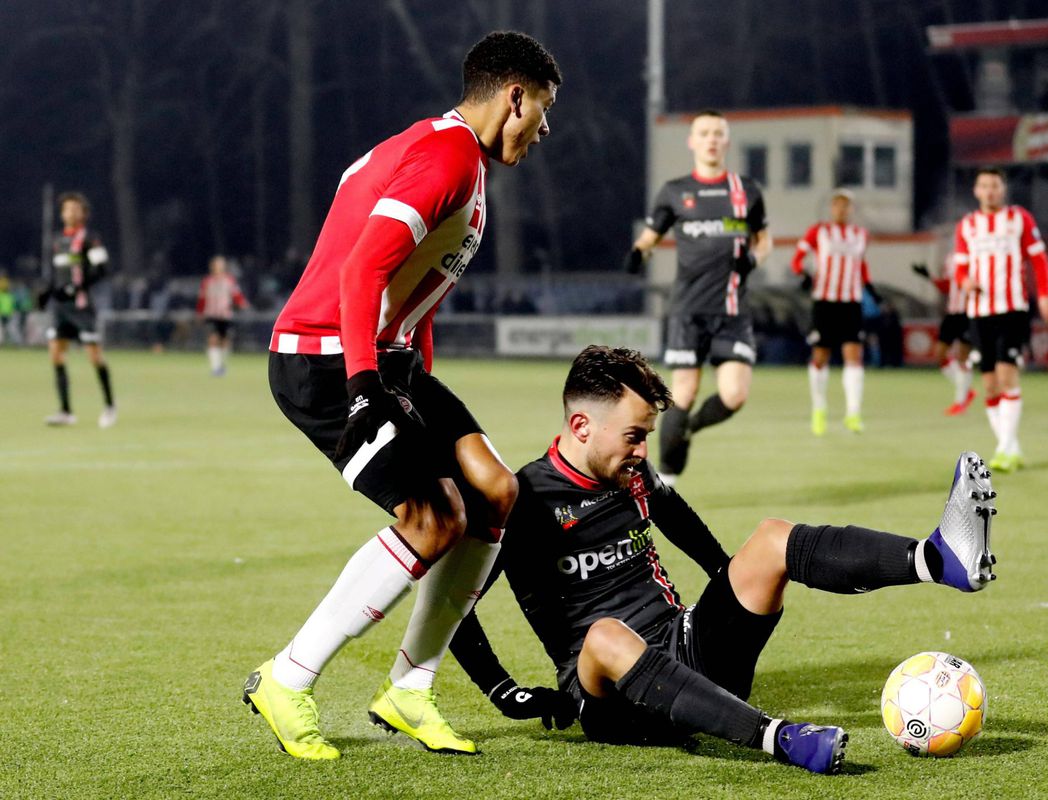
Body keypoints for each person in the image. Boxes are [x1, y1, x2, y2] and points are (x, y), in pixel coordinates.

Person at [448, 345, 998, 775]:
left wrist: (729, 579)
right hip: (607, 695)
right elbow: (452, 603)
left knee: (770, 539)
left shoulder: (630, 472)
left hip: (688, 650)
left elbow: (677, 517)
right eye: (635, 436)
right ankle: (779, 738)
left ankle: (936, 557)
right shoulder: (521, 501)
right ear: (581, 427)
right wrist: (501, 690)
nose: (643, 452)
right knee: (606, 636)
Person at [240, 30, 562, 761]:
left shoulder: (460, 159)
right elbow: (361, 273)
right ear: (512, 95)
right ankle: (287, 679)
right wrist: (362, 387)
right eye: (541, 110)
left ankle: (408, 691)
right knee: (433, 517)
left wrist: (413, 379)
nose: (545, 128)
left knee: (495, 490)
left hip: (388, 361)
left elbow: (415, 292)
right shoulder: (447, 157)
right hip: (324, 360)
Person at [624, 109, 771, 484]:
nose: (711, 139)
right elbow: (652, 234)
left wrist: (754, 258)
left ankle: (687, 428)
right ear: (692, 141)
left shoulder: (746, 191)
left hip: (732, 311)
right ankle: (666, 486)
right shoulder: (675, 191)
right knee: (683, 392)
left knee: (735, 395)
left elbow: (764, 239)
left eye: (718, 133)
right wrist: (639, 252)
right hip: (688, 311)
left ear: (726, 141)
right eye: (704, 133)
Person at [954, 168, 1048, 472]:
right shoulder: (967, 226)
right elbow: (960, 268)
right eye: (984, 185)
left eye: (995, 185)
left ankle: (1002, 450)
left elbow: (1039, 260)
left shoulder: (1019, 219)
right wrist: (965, 282)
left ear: (1002, 190)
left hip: (1012, 309)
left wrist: (1044, 295)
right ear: (976, 190)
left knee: (1006, 375)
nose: (989, 191)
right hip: (979, 312)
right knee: (989, 386)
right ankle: (1011, 447)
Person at [792, 189, 880, 434]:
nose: (842, 209)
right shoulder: (818, 231)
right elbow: (797, 259)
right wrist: (804, 274)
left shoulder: (860, 235)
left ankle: (853, 412)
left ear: (852, 209)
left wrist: (870, 287)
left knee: (854, 354)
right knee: (821, 356)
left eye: (846, 205)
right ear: (831, 207)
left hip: (851, 302)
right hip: (825, 301)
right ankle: (818, 408)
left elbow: (861, 265)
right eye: (838, 204)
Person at [42, 192, 117, 428]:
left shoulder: (89, 239)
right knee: (55, 353)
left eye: (76, 209)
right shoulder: (58, 241)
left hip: (82, 307)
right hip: (61, 307)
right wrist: (48, 292)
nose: (71, 213)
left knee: (94, 357)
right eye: (67, 209)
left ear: (84, 213)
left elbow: (103, 268)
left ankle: (109, 406)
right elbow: (58, 274)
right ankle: (65, 411)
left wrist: (79, 286)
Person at [912, 259, 976, 415]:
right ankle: (966, 390)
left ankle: (960, 401)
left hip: (968, 314)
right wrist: (929, 277)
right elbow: (948, 286)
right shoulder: (951, 259)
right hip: (952, 315)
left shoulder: (977, 255)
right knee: (939, 354)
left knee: (962, 357)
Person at [196, 255, 248, 376]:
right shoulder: (207, 281)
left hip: (225, 315)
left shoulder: (229, 281)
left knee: (225, 341)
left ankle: (222, 365)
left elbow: (236, 294)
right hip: (211, 314)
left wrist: (242, 303)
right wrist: (199, 313)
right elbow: (202, 299)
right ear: (213, 267)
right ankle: (215, 367)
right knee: (213, 339)